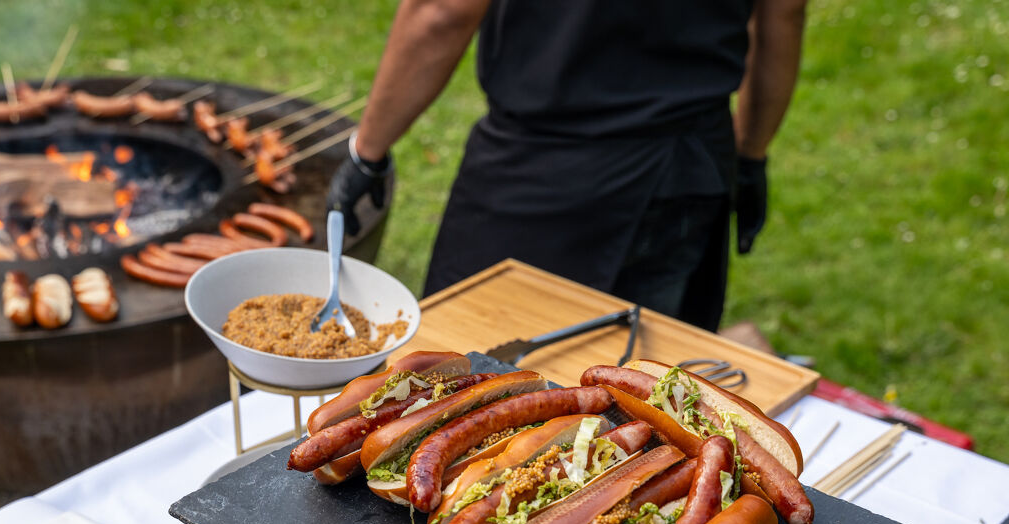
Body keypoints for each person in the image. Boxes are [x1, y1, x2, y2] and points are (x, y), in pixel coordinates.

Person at [326, 0, 808, 331]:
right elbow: (784, 11)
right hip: (688, 171)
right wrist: (750, 154)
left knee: (464, 396)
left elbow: (442, 11)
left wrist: (367, 152)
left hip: (541, 181)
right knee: (648, 419)